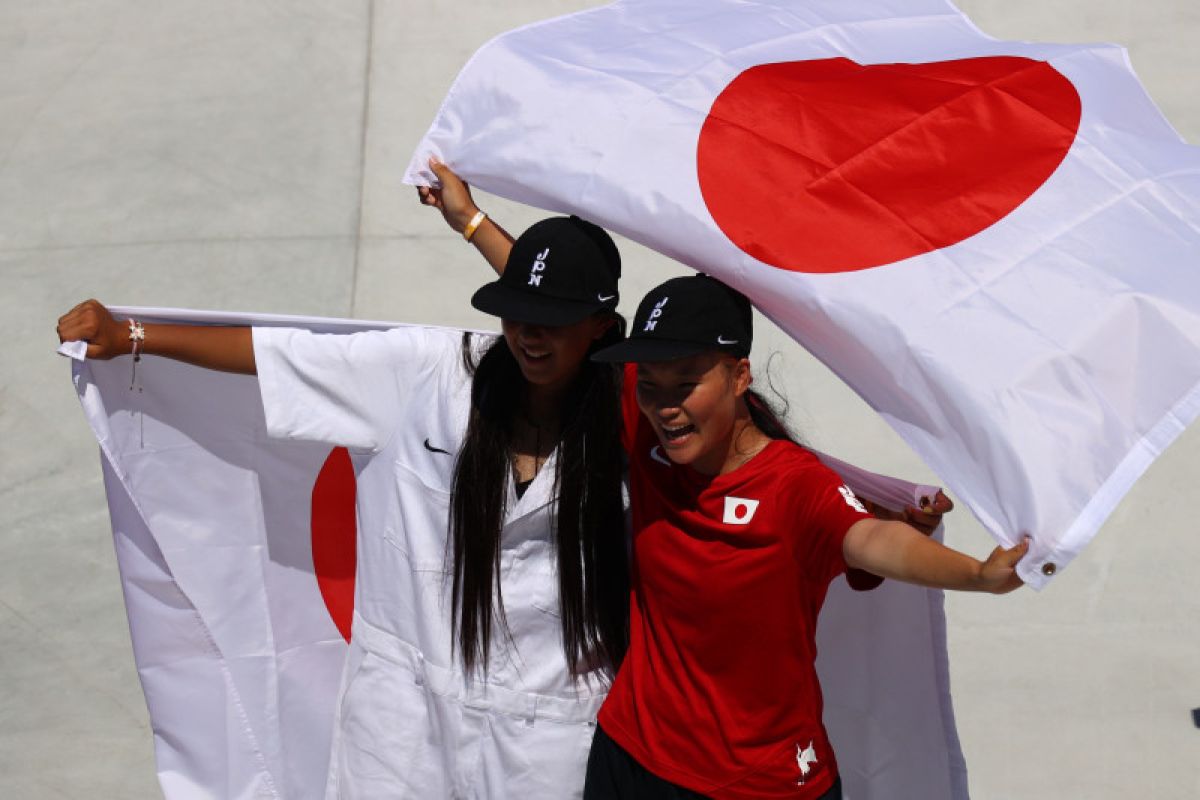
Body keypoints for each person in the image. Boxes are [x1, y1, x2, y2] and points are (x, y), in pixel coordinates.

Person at [55, 215, 631, 798]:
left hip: (548, 736)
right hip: (402, 725)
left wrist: (473, 221)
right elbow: (282, 356)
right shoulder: (429, 371)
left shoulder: (638, 421)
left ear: (601, 326)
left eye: (553, 320)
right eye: (515, 311)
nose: (529, 334)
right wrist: (133, 335)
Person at [578, 274, 1029, 800]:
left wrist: (978, 574)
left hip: (758, 784)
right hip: (629, 758)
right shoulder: (648, 423)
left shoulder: (794, 485)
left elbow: (871, 540)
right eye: (649, 385)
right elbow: (566, 302)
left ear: (740, 375)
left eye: (686, 384)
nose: (664, 405)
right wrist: (471, 222)